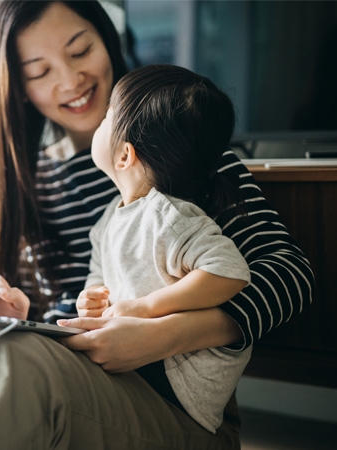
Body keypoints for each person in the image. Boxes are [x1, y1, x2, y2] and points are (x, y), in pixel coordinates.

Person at [0, 2, 314, 449]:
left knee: (26, 364)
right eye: (40, 71)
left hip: (178, 413)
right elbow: (73, 321)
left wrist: (162, 334)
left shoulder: (194, 159)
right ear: (18, 88)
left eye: (80, 50)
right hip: (73, 378)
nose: (70, 80)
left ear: (108, 42)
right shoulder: (38, 183)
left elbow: (289, 276)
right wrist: (12, 317)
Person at [79, 63, 253, 434]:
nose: (103, 118)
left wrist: (146, 307)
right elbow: (101, 274)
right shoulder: (114, 216)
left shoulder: (170, 216)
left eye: (110, 114)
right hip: (144, 371)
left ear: (124, 156)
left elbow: (230, 270)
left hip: (178, 387)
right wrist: (93, 298)